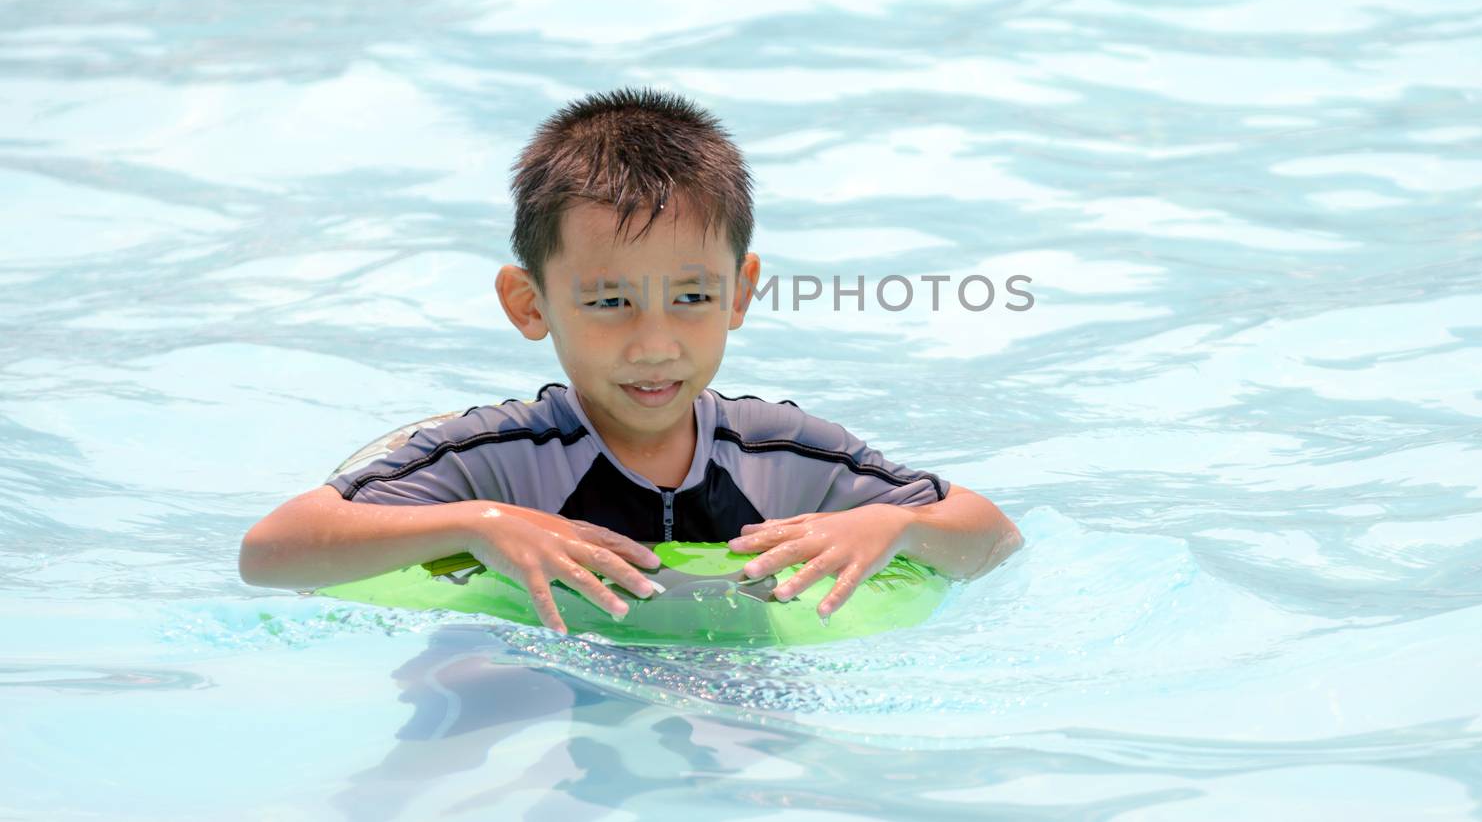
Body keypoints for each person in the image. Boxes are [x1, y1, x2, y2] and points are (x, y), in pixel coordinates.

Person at [239, 89, 1022, 633]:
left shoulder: (783, 455)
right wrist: (483, 526)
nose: (655, 343)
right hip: (533, 673)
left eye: (691, 296)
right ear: (529, 302)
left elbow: (993, 538)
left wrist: (895, 525)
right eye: (611, 301)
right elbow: (270, 552)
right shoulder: (497, 462)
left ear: (741, 292)